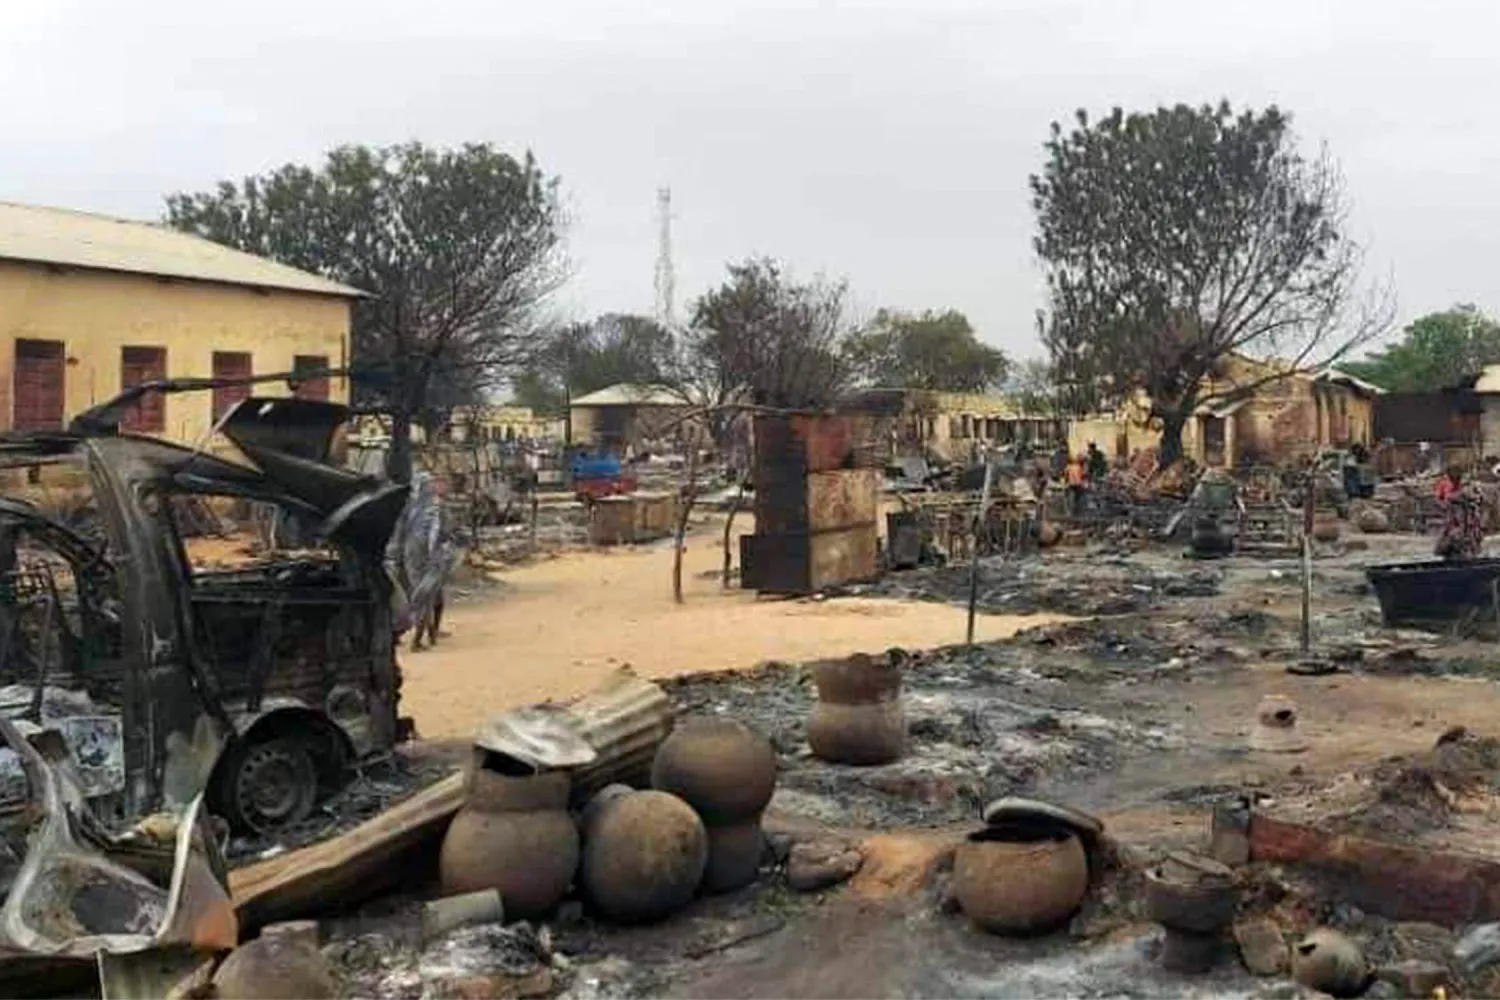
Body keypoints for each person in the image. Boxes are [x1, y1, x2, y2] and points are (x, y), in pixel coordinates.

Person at [388, 471, 457, 651]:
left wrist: (395, 555)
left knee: (424, 596)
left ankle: (428, 633)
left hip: (412, 556)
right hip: (429, 558)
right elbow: (444, 533)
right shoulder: (435, 508)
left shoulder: (408, 508)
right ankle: (418, 639)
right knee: (424, 597)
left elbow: (398, 534)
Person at [1436, 468, 1486, 561]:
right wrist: (1445, 505)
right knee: (1452, 534)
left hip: (1465, 516)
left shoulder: (1466, 487)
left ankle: (1466, 553)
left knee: (1466, 535)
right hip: (1453, 516)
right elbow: (1440, 499)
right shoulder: (1445, 485)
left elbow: (1476, 498)